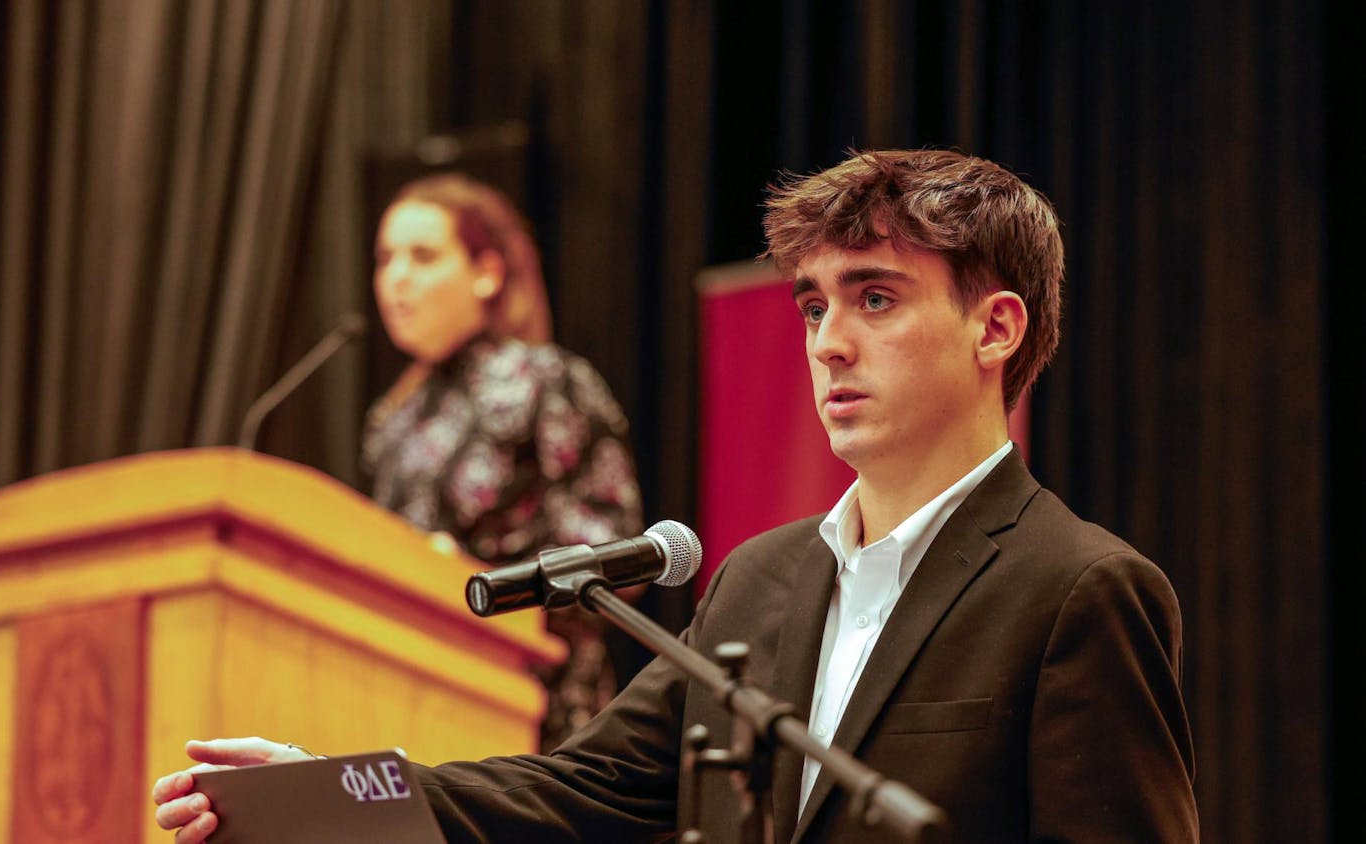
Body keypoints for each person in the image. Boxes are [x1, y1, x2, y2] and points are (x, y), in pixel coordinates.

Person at [155, 149, 1199, 843]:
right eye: (813, 304)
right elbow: (579, 789)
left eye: (875, 297)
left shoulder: (1083, 589)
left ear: (996, 328)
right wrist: (320, 791)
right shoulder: (761, 579)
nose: (828, 339)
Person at [368, 173, 646, 748]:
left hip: (534, 714)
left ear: (487, 274)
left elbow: (620, 556)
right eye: (386, 257)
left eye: (422, 256)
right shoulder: (393, 417)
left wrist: (472, 576)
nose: (397, 277)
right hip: (407, 699)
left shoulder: (544, 382)